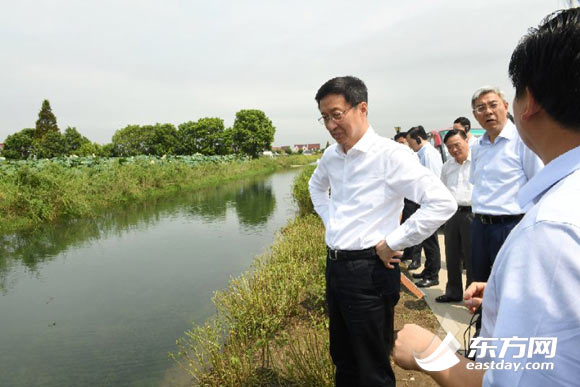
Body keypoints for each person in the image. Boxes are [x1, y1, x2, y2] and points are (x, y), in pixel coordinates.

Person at [393, 8, 580, 386]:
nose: (487, 112)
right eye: (480, 108)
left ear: (528, 104)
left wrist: (434, 356)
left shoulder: (552, 228)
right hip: (486, 224)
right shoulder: (486, 151)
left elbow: (524, 377)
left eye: (497, 102)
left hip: (514, 227)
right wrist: (507, 286)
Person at [309, 76, 456, 386]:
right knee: (343, 358)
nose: (331, 125)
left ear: (362, 108)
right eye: (324, 117)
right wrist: (330, 219)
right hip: (335, 267)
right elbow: (315, 187)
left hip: (369, 272)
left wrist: (393, 241)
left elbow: (442, 203)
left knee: (372, 366)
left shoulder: (390, 156)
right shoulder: (331, 156)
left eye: (337, 114)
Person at [468, 85, 542, 285]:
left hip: (510, 226)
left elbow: (538, 184)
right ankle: (484, 318)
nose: (488, 112)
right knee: (479, 284)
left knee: (511, 284)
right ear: (475, 116)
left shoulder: (523, 139)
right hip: (480, 226)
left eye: (493, 105)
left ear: (506, 106)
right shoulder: (476, 146)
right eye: (481, 108)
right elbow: (476, 182)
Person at [437, 129, 473, 302]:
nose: (454, 150)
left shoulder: (477, 163)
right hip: (452, 215)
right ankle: (453, 291)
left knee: (472, 257)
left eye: (457, 145)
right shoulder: (447, 166)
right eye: (450, 147)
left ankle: (471, 294)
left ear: (466, 141)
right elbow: (442, 190)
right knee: (451, 255)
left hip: (472, 215)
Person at [405, 126, 444, 287]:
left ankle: (433, 275)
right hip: (423, 202)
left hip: (429, 203)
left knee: (431, 241)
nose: (409, 146)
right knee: (426, 239)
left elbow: (433, 179)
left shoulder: (428, 154)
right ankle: (428, 270)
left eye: (410, 142)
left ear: (419, 139)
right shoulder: (422, 153)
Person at [394, 131, 422, 268]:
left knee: (413, 226)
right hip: (403, 198)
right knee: (404, 226)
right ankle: (407, 254)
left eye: (403, 143)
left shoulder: (413, 157)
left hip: (414, 198)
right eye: (398, 144)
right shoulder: (396, 159)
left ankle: (415, 258)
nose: (401, 146)